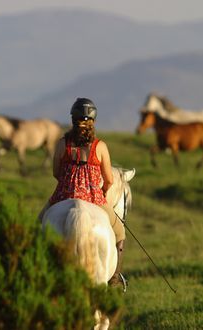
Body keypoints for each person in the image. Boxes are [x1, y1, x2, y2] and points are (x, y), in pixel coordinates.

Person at [39, 97, 126, 289]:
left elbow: (56, 172)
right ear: (93, 121)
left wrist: (69, 184)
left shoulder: (63, 144)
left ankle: (32, 273)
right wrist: (100, 192)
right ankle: (115, 278)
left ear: (73, 119)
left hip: (63, 195)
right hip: (94, 198)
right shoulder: (100, 146)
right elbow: (110, 179)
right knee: (120, 232)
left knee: (37, 225)